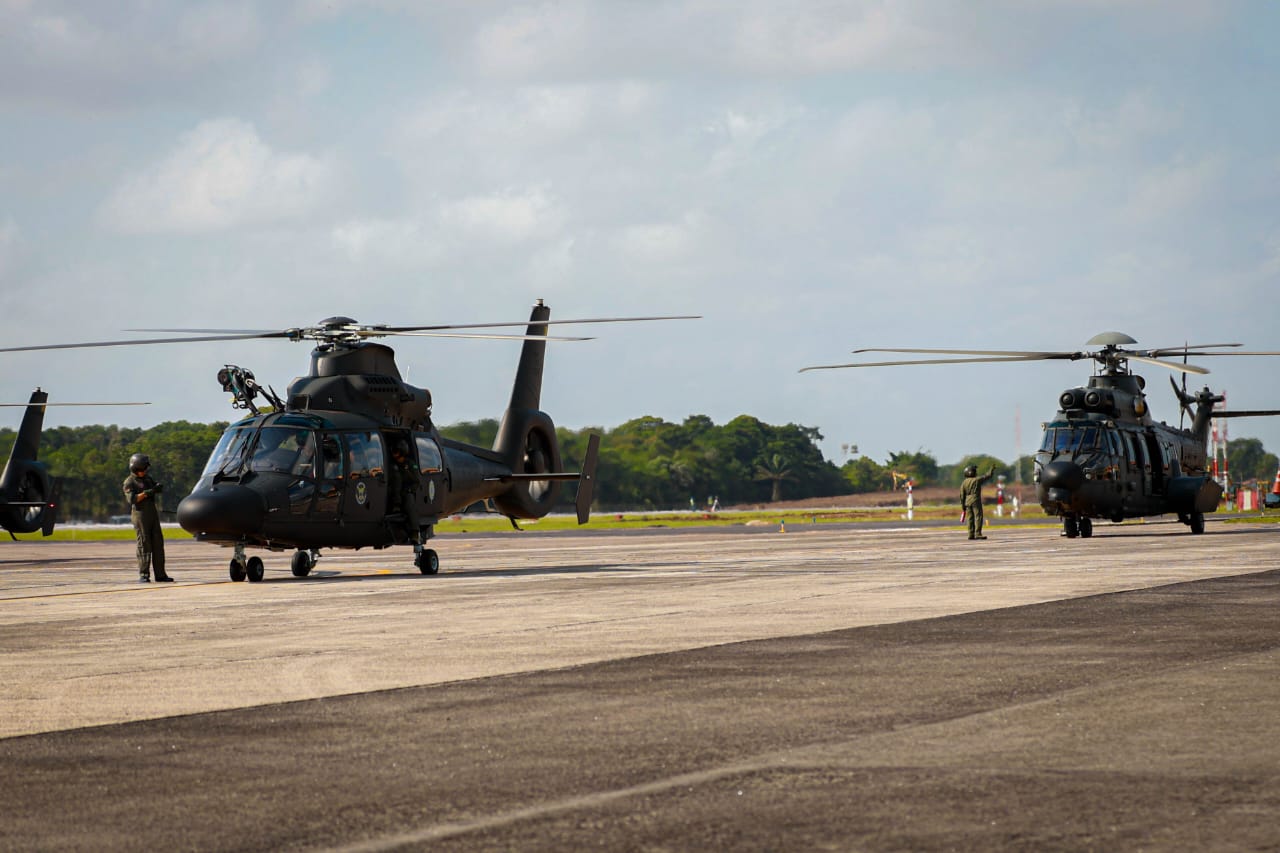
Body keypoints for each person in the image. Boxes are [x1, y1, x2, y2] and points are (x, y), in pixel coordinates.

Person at [122, 452, 172, 582]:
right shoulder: (130, 482)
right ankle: (144, 574)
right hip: (140, 515)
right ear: (136, 468)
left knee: (158, 544)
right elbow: (132, 499)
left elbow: (154, 487)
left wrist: (157, 487)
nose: (145, 471)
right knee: (144, 544)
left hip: (152, 514)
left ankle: (160, 574)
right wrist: (146, 493)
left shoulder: (147, 479)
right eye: (143, 468)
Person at [387, 439, 423, 552]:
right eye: (394, 452)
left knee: (409, 503)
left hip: (406, 491)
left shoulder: (410, 465)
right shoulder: (392, 466)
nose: (395, 454)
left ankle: (414, 532)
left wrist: (409, 490)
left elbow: (416, 481)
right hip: (393, 492)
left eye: (397, 451)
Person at [961, 464, 995, 540]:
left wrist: (963, 506)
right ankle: (978, 533)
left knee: (970, 518)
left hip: (967, 501)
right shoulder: (977, 480)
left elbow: (962, 495)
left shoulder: (964, 482)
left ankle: (970, 534)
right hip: (975, 500)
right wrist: (991, 469)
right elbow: (987, 476)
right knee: (978, 516)